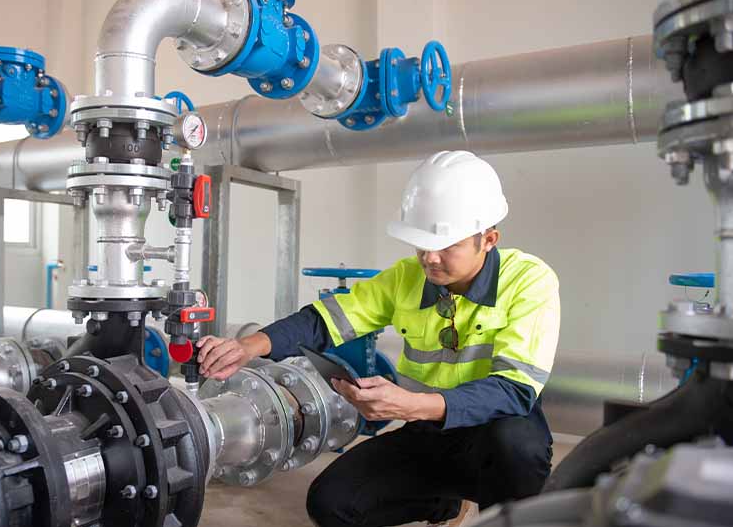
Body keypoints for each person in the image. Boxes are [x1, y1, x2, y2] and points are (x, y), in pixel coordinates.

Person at [197, 151, 561, 527]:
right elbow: (323, 322)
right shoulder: (406, 277)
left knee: (519, 448)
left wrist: (410, 405)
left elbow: (513, 391)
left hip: (495, 434)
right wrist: (249, 347)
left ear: (488, 239)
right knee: (330, 504)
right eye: (421, 245)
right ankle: (444, 504)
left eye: (446, 246)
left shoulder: (529, 281)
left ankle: (509, 514)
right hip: (429, 435)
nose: (430, 259)